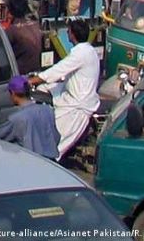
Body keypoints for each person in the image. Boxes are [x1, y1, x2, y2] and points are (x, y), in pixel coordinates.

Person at [28, 19, 100, 160]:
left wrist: (31, 81)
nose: (67, 33)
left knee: (54, 143)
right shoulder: (89, 51)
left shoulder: (80, 54)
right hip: (72, 94)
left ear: (72, 35)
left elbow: (58, 70)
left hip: (76, 106)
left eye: (68, 31)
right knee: (44, 88)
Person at [0, 76, 61, 159]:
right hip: (51, 162)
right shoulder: (47, 110)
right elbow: (56, 136)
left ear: (13, 93)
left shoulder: (17, 118)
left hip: (31, 162)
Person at [7, 0, 45, 75]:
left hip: (20, 72)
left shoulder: (12, 30)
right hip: (38, 70)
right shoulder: (37, 24)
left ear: (10, 12)